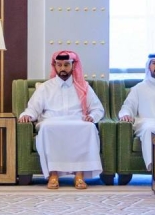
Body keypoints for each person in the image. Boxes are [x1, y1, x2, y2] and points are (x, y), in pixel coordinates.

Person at [18, 49, 105, 189]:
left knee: (89, 127)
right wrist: (27, 115)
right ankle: (53, 174)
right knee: (47, 128)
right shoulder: (45, 87)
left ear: (73, 65)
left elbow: (97, 109)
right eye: (59, 65)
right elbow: (33, 108)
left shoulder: (83, 87)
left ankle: (79, 175)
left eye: (66, 65)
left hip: (77, 121)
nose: (62, 68)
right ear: (55, 66)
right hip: (51, 121)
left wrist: (92, 116)